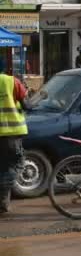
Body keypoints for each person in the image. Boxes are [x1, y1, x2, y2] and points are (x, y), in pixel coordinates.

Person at [0, 63, 28, 214]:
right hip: (11, 132)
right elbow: (27, 105)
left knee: (3, 167)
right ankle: (2, 202)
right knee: (16, 164)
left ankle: (3, 205)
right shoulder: (12, 81)